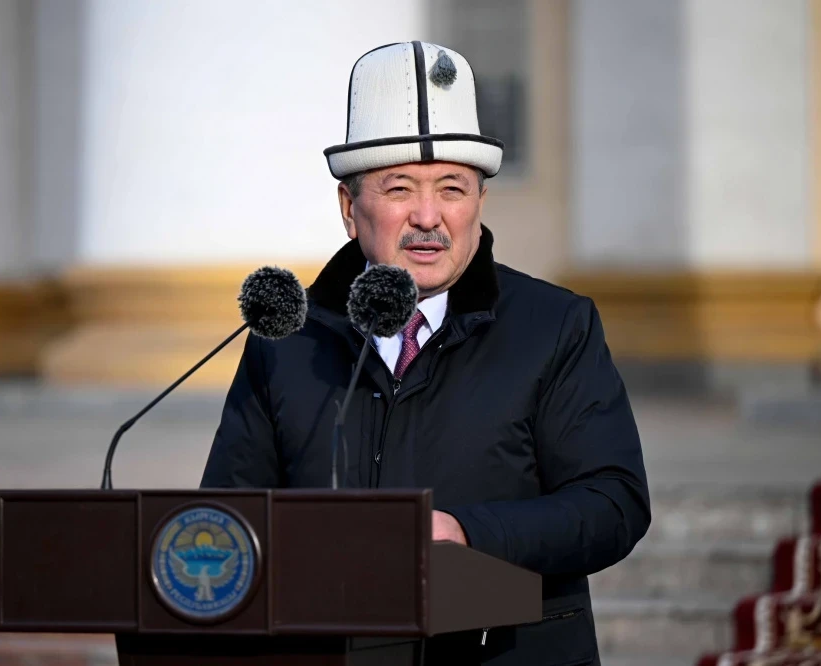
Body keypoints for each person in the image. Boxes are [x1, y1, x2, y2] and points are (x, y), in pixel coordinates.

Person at [201, 41, 650, 666]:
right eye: (399, 188)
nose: (429, 217)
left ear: (479, 204)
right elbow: (227, 519)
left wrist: (467, 533)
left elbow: (613, 504)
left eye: (453, 189)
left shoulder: (555, 326)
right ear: (349, 209)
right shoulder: (288, 338)